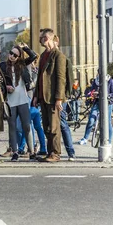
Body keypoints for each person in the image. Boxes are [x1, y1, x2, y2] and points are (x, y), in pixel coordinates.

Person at [32, 28, 66, 163]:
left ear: (48, 38)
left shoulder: (58, 56)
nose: (40, 40)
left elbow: (60, 78)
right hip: (42, 96)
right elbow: (40, 77)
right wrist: (36, 95)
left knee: (54, 127)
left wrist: (59, 99)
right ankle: (49, 152)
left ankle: (55, 153)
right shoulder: (43, 55)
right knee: (46, 126)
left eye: (42, 37)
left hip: (52, 97)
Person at [0, 43, 37, 161]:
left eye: (15, 55)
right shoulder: (3, 66)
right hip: (10, 100)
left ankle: (31, 151)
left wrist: (25, 48)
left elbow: (33, 56)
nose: (12, 56)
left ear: (19, 57)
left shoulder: (22, 65)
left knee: (26, 126)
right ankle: (14, 151)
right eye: (11, 53)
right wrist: (6, 87)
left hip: (23, 99)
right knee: (12, 126)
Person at [78, 72, 113, 145]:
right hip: (97, 102)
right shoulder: (96, 81)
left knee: (107, 122)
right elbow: (91, 90)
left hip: (107, 103)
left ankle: (109, 141)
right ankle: (85, 138)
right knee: (91, 120)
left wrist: (107, 95)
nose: (99, 74)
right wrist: (92, 93)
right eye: (99, 73)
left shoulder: (110, 81)